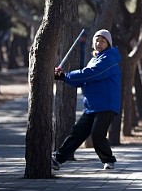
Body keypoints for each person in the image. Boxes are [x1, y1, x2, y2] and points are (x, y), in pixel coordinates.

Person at [51, 29, 122, 171]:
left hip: (106, 104)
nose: (98, 43)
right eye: (96, 40)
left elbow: (91, 74)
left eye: (102, 41)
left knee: (97, 134)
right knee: (77, 133)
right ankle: (58, 159)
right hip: (92, 105)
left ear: (108, 43)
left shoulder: (109, 59)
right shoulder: (94, 59)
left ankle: (108, 160)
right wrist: (63, 77)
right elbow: (82, 80)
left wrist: (65, 76)